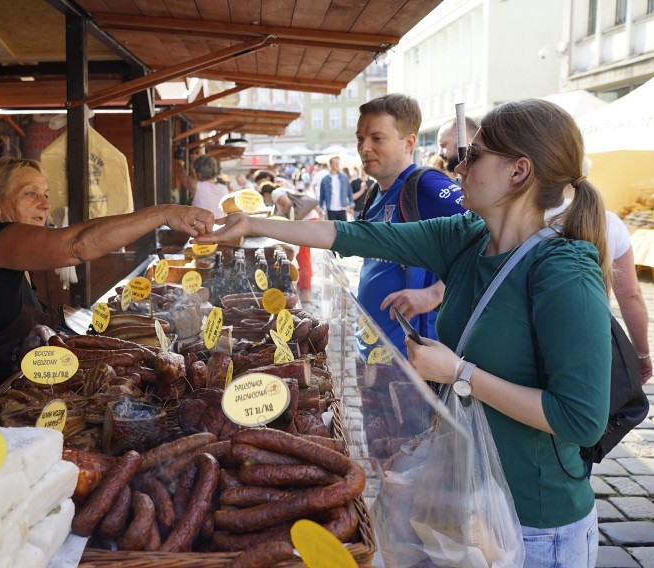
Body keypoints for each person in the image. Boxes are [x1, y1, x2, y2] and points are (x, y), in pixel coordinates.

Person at [197, 98, 611, 567]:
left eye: (475, 155)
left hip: (536, 526)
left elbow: (580, 419)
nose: (459, 163)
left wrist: (459, 372)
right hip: (470, 502)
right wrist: (251, 223)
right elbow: (353, 236)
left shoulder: (564, 269)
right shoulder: (467, 236)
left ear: (519, 171)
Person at [0, 156, 214, 428]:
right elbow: (77, 245)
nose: (44, 204)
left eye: (45, 194)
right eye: (30, 194)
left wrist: (30, 333)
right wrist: (163, 214)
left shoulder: (11, 250)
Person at [354, 94, 465, 354]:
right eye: (360, 138)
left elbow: (491, 233)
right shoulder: (375, 191)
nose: (364, 147)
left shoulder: (426, 186)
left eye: (376, 138)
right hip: (375, 349)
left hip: (412, 360)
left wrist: (435, 294)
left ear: (409, 143)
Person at [548, 197, 652, 383]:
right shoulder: (609, 221)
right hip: (593, 338)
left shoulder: (519, 215)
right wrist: (641, 354)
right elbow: (630, 295)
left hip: (531, 338)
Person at [259, 181, 319, 302]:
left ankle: (306, 291)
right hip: (307, 220)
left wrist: (287, 226)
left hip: (305, 222)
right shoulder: (281, 191)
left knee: (303, 257)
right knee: (302, 256)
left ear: (266, 194)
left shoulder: (276, 193)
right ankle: (303, 288)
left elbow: (288, 205)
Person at [177, 154, 229, 219]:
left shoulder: (198, 187)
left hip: (200, 228)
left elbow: (180, 175)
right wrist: (192, 166)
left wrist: (179, 163)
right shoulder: (223, 188)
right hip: (219, 227)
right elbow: (197, 181)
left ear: (199, 174)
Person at [318, 156, 353, 221]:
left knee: (343, 229)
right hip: (330, 209)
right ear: (330, 164)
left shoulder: (344, 177)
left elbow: (349, 192)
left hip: (342, 208)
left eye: (338, 163)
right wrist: (320, 207)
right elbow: (321, 195)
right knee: (332, 229)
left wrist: (351, 204)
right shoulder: (325, 180)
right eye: (335, 163)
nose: (337, 165)